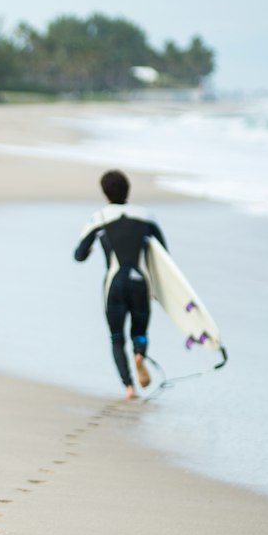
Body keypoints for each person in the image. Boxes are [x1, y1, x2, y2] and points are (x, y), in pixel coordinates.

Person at [74, 170, 167, 399]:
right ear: (128, 190)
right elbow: (163, 254)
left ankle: (129, 387)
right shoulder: (146, 216)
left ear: (105, 193)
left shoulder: (100, 218)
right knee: (140, 331)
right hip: (140, 282)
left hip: (115, 284)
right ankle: (140, 354)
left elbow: (78, 255)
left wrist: (91, 249)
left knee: (117, 337)